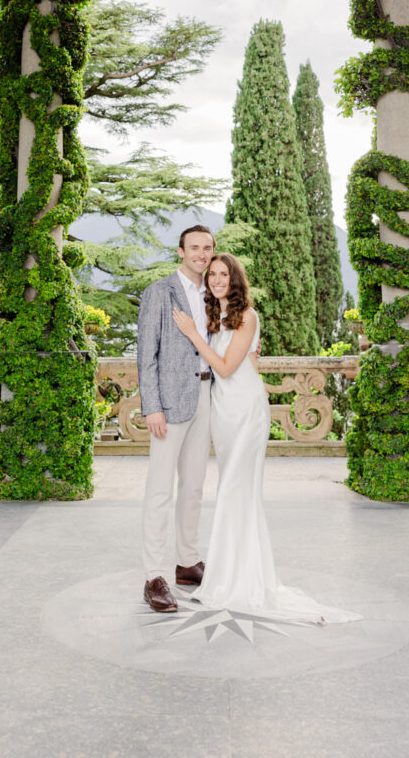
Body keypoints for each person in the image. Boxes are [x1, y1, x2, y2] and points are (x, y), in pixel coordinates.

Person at [172, 253, 362, 625]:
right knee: (230, 490)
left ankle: (239, 583)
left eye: (224, 274)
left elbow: (226, 368)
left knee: (236, 491)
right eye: (212, 275)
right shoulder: (215, 316)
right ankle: (230, 575)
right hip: (223, 411)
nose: (217, 280)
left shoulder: (248, 316)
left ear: (235, 280)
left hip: (244, 409)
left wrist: (192, 334)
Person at [137, 224, 216, 613]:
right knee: (160, 490)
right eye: (194, 247)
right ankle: (154, 576)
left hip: (206, 395)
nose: (201, 254)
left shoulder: (214, 294)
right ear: (181, 251)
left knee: (194, 486)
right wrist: (152, 405)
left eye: (207, 248)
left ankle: (187, 562)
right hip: (168, 404)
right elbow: (146, 354)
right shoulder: (159, 292)